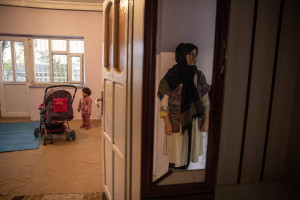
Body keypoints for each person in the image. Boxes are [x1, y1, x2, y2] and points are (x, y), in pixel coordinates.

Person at [157, 43, 210, 170]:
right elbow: (163, 101)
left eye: (196, 54)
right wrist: (167, 122)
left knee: (188, 152)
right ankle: (173, 178)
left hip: (194, 121)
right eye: (191, 54)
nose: (194, 57)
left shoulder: (199, 75)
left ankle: (183, 175)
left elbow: (205, 99)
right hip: (176, 123)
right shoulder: (171, 76)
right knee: (175, 154)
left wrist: (206, 121)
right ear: (182, 55)